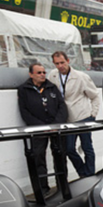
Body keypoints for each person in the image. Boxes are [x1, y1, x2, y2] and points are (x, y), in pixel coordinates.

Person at [17, 63, 67, 194]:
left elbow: (62, 106)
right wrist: (41, 127)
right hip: (37, 129)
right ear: (31, 74)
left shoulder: (52, 87)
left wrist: (56, 125)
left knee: (60, 156)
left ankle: (62, 186)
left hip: (55, 128)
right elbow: (24, 111)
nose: (42, 75)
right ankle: (42, 189)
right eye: (39, 73)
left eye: (44, 72)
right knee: (38, 158)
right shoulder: (24, 89)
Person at [48, 51, 99, 177]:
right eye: (57, 63)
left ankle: (90, 174)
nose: (60, 66)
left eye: (62, 62)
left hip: (83, 117)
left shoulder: (81, 76)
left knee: (87, 147)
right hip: (66, 119)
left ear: (68, 61)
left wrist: (93, 114)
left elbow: (95, 96)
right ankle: (83, 172)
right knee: (69, 149)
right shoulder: (53, 75)